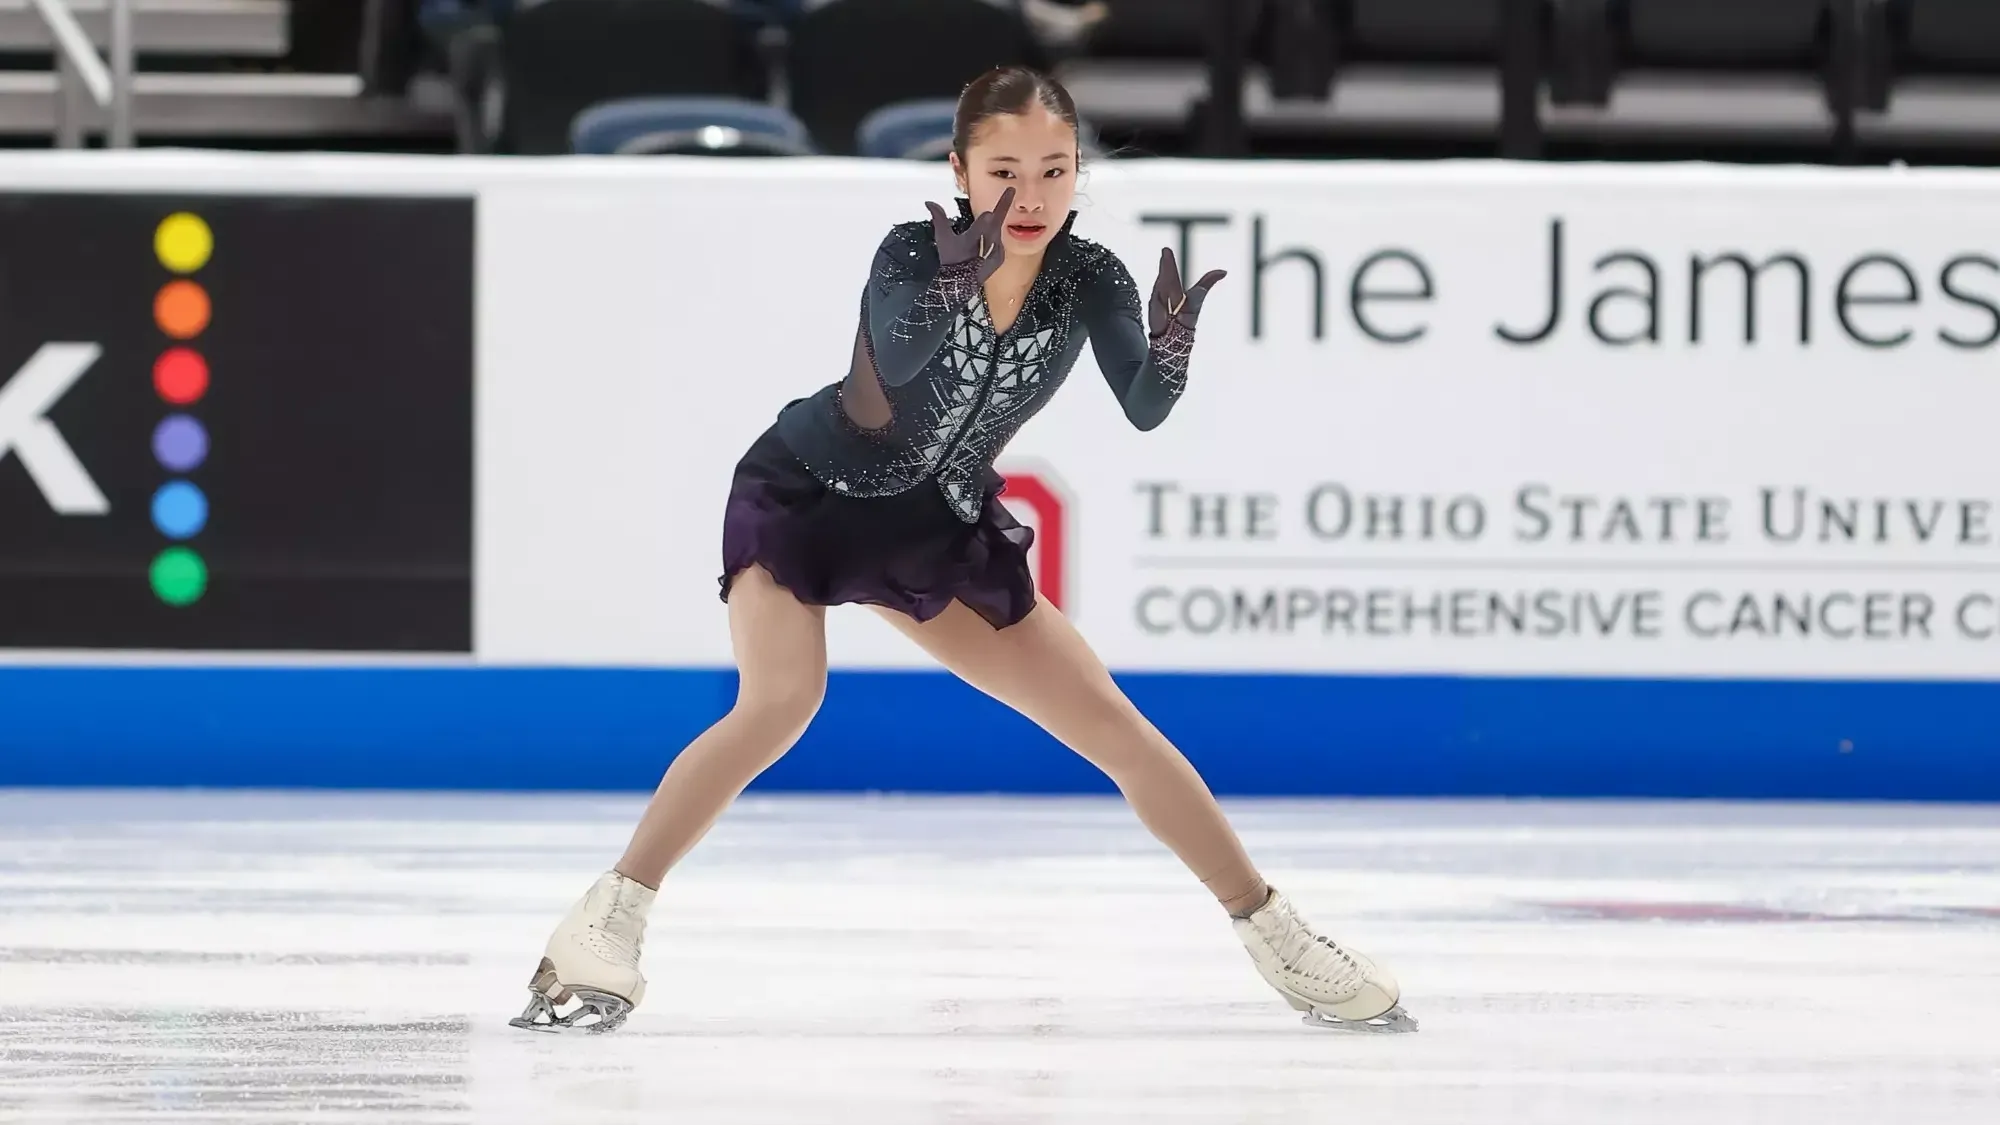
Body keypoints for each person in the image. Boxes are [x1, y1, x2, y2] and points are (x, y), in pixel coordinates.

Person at [508, 66, 1414, 1037]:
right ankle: (601, 927)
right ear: (959, 168)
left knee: (1111, 724)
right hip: (808, 493)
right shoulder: (910, 252)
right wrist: (953, 276)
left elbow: (1144, 408)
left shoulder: (1088, 278)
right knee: (780, 701)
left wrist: (1173, 349)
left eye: (1055, 170)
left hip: (933, 526)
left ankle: (1279, 939)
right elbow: (887, 371)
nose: (1030, 197)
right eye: (1005, 171)